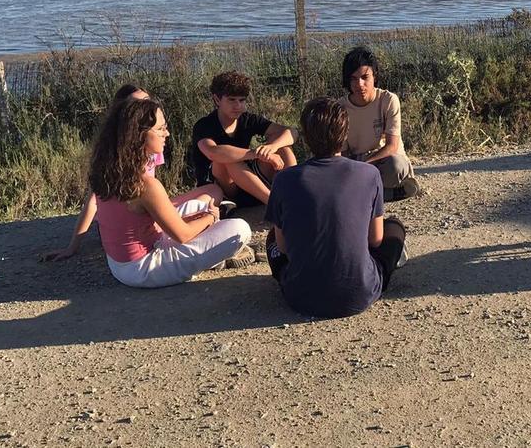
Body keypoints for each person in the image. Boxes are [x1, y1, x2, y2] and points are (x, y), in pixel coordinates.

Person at [41, 84, 222, 262]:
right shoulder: (111, 158)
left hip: (146, 207)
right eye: (138, 104)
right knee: (206, 216)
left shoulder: (152, 150)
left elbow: (153, 192)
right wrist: (73, 246)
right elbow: (93, 201)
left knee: (213, 192)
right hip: (126, 222)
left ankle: (183, 230)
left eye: (147, 101)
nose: (146, 108)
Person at [263, 97, 407, 318]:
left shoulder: (284, 179)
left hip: (299, 296)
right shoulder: (368, 174)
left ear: (306, 138)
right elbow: (376, 240)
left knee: (272, 238)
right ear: (344, 133)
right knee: (394, 227)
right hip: (360, 293)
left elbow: (282, 247)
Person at [89, 97, 253, 288]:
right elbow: (182, 235)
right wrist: (210, 218)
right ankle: (213, 258)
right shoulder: (145, 184)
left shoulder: (107, 170)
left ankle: (211, 252)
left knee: (198, 205)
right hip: (143, 269)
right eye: (160, 129)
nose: (166, 133)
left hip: (119, 264)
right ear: (138, 135)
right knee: (239, 229)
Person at [188, 72, 297, 206]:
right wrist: (256, 154)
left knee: (283, 148)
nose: (238, 106)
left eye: (242, 100)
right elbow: (212, 152)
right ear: (217, 100)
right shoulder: (204, 125)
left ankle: (293, 197)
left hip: (250, 184)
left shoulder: (248, 119)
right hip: (222, 191)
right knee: (227, 159)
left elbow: (292, 132)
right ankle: (275, 205)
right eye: (232, 100)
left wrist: (271, 148)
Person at [338, 46, 419, 202]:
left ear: (374, 76)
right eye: (353, 79)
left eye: (364, 77)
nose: (359, 84)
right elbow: (342, 152)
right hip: (356, 160)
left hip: (383, 159)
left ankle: (360, 193)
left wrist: (363, 167)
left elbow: (392, 146)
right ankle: (386, 194)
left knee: (396, 166)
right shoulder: (341, 108)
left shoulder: (388, 100)